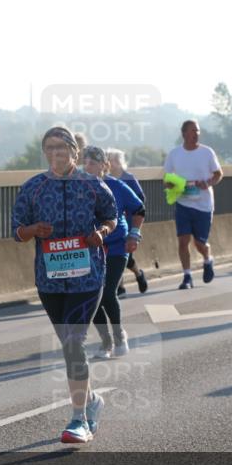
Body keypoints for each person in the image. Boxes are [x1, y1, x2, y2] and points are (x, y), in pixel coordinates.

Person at [11, 126, 117, 443]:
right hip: (50, 280)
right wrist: (32, 230)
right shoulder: (33, 188)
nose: (55, 153)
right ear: (45, 153)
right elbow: (15, 231)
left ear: (74, 152)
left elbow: (112, 217)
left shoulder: (93, 186)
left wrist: (102, 233)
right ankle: (93, 400)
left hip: (87, 277)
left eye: (61, 148)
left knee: (73, 344)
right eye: (49, 148)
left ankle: (78, 419)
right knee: (70, 347)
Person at [82, 146, 144, 359]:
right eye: (85, 162)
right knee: (91, 296)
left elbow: (139, 208)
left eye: (92, 162)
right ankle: (106, 341)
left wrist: (134, 234)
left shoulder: (116, 186)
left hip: (117, 246)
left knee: (107, 293)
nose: (87, 166)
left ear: (103, 165)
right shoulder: (79, 188)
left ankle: (119, 336)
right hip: (91, 248)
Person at [163, 120, 223, 289]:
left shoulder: (207, 152)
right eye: (192, 131)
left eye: (197, 131)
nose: (196, 134)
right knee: (183, 241)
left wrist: (208, 182)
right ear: (184, 134)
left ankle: (207, 258)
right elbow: (167, 180)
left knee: (200, 243)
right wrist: (177, 185)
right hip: (183, 203)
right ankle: (187, 276)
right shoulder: (175, 154)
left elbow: (219, 174)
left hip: (203, 204)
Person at [107, 148, 149, 294]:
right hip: (113, 223)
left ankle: (138, 274)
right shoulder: (105, 179)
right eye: (108, 159)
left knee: (126, 256)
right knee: (115, 255)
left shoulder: (128, 178)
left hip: (130, 222)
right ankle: (120, 286)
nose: (110, 162)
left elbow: (140, 200)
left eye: (113, 159)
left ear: (119, 162)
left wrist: (126, 208)